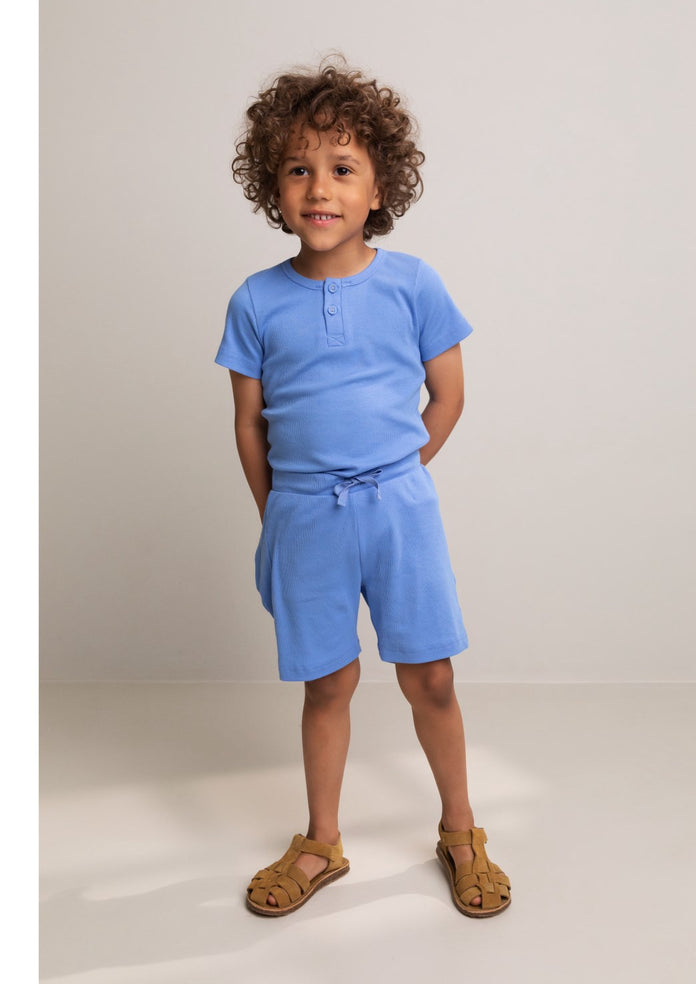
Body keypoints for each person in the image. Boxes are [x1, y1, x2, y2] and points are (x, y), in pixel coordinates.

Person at [215, 58, 511, 918]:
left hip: (398, 512)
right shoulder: (255, 301)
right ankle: (321, 841)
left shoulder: (414, 284)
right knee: (328, 683)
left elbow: (447, 396)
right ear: (272, 186)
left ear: (379, 187)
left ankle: (461, 831)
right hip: (304, 517)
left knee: (431, 678)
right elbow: (249, 424)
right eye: (298, 168)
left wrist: (398, 475)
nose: (320, 188)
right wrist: (279, 513)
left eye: (342, 168)